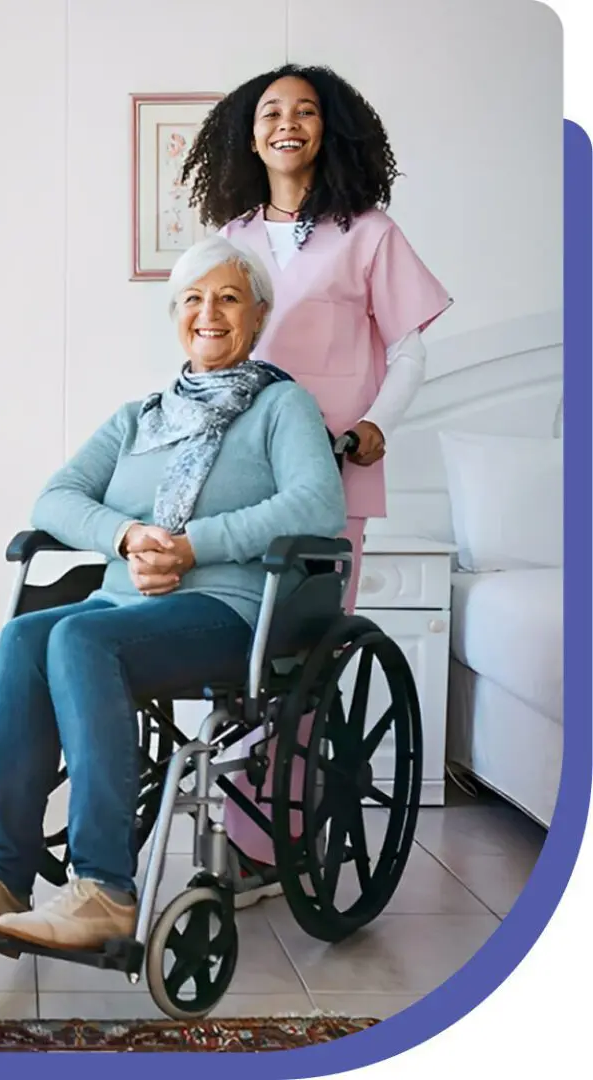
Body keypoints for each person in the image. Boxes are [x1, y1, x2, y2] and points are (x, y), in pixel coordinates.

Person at [0, 235, 347, 953]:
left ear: (258, 315)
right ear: (175, 316)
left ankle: (105, 888)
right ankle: (3, 875)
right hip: (123, 604)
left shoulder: (282, 405)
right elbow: (55, 499)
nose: (208, 313)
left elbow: (318, 504)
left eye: (228, 298)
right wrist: (129, 537)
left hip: (229, 610)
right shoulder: (142, 415)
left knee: (76, 636)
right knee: (25, 636)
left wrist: (195, 545)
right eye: (192, 299)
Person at [182, 63, 452, 905]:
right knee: (234, 653)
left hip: (331, 472)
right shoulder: (233, 236)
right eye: (271, 112)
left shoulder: (367, 233)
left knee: (298, 662)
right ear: (249, 134)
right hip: (240, 468)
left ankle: (274, 840)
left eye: (304, 111)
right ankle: (229, 824)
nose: (287, 123)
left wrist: (375, 426)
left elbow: (409, 349)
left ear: (329, 128)